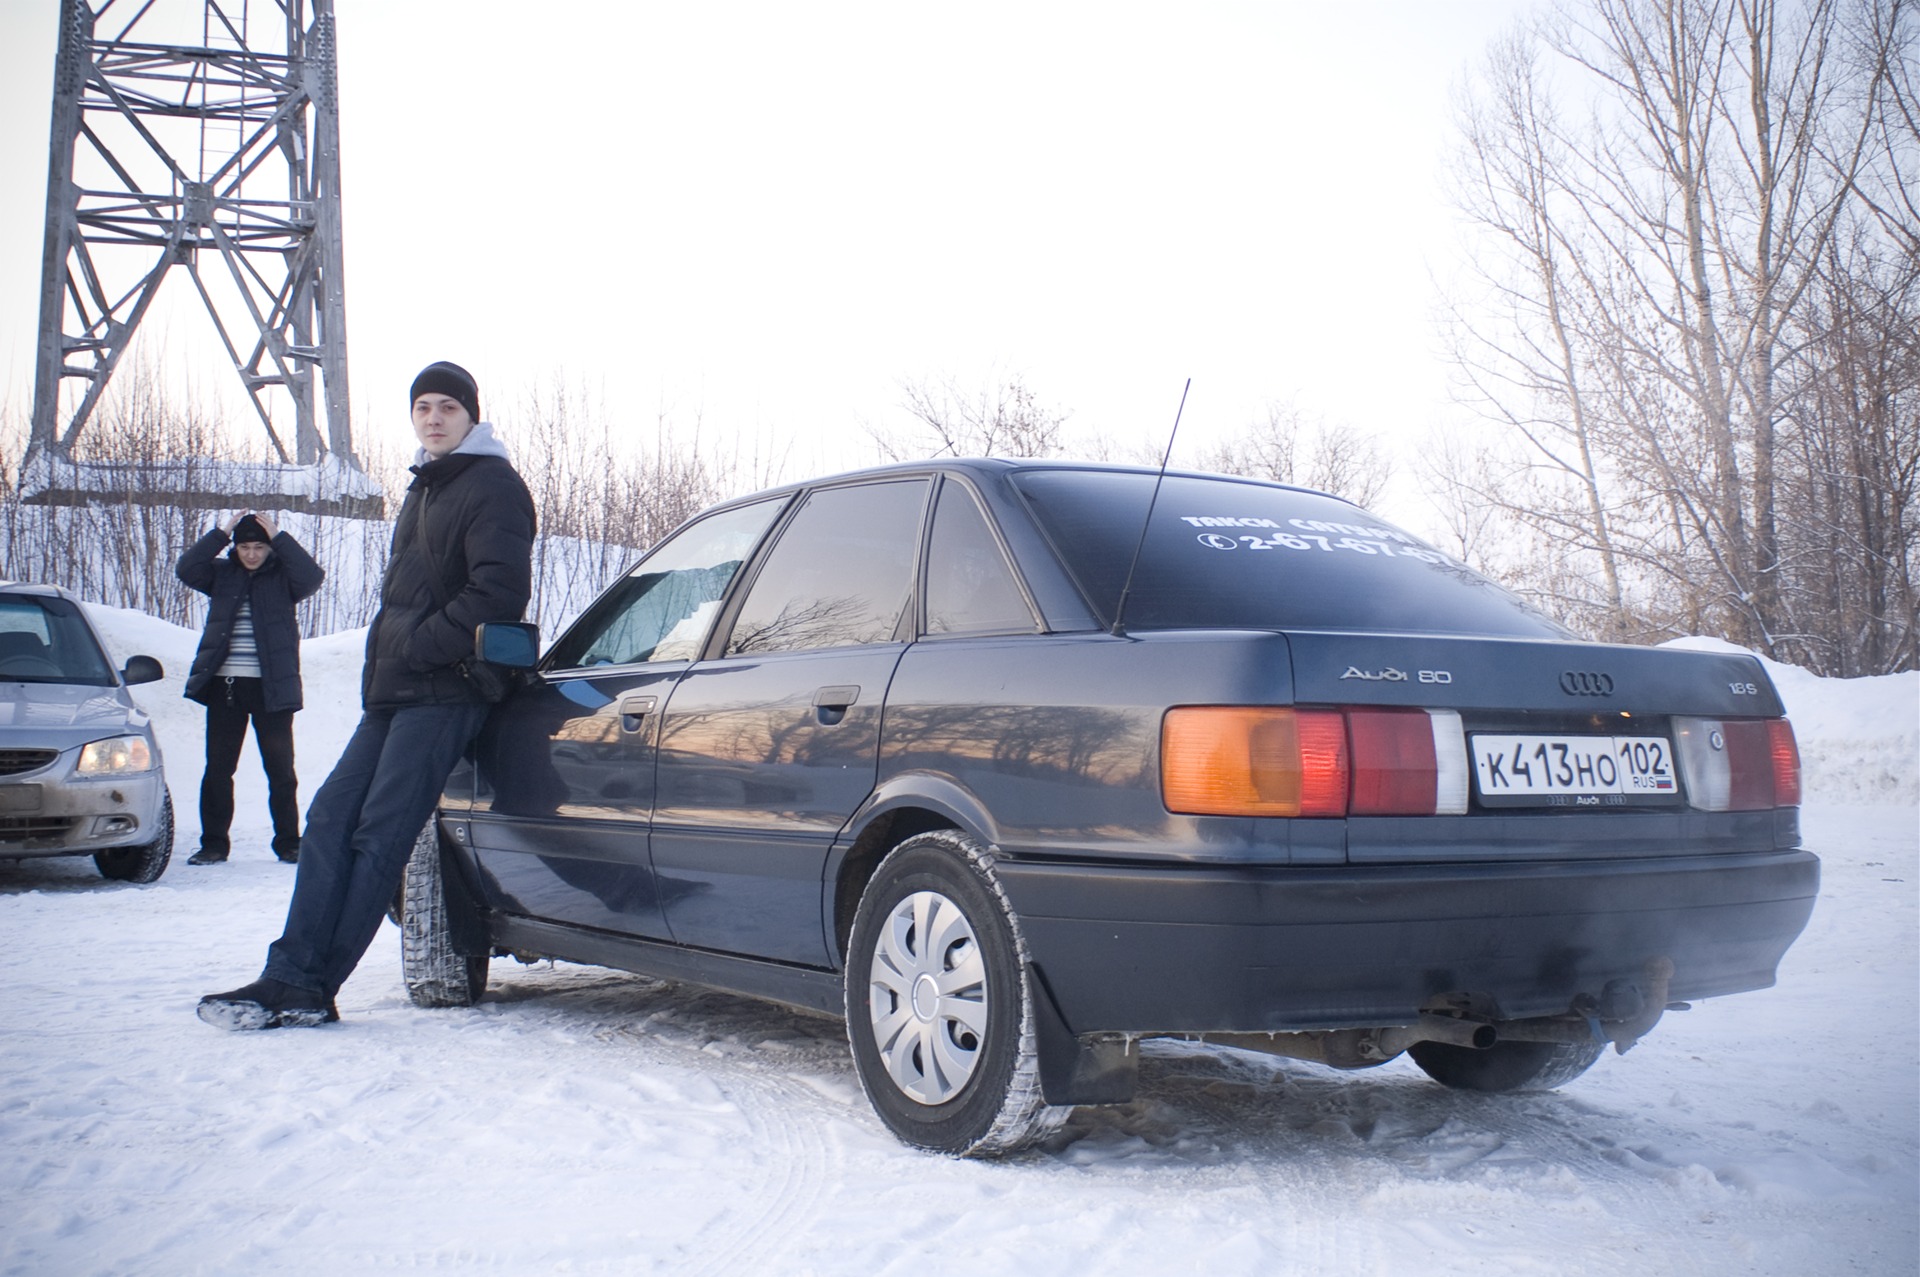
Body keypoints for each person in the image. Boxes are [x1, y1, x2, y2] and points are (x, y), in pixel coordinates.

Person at [198, 361, 536, 1029]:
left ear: (472, 415)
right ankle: (287, 971)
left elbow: (497, 594)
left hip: (445, 691)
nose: (434, 417)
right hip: (393, 692)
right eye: (423, 407)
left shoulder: (492, 485)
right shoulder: (426, 488)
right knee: (328, 819)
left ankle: (315, 986)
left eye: (447, 406)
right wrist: (397, 654)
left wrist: (418, 645)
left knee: (380, 835)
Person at [176, 511, 325, 865]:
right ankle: (213, 844)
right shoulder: (221, 575)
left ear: (269, 548)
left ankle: (289, 843)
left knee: (281, 771)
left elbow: (312, 576)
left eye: (259, 546)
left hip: (271, 689)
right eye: (245, 547)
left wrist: (280, 536)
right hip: (226, 687)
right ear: (236, 548)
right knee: (218, 770)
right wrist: (220, 534)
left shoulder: (284, 579)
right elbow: (186, 568)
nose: (253, 554)